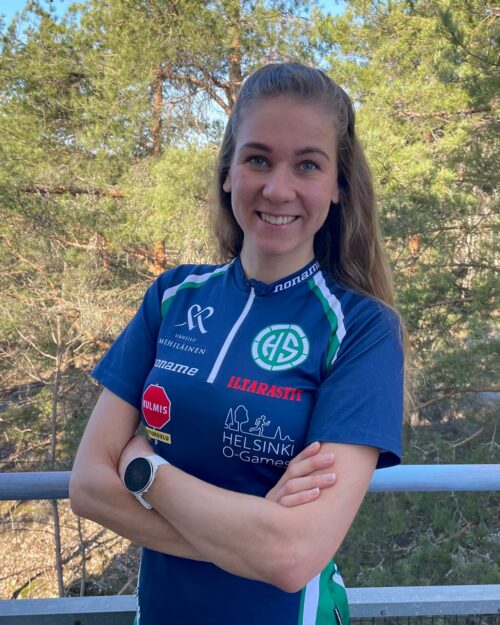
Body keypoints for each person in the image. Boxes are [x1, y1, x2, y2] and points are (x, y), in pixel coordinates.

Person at [70, 62, 404, 625]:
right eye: (258, 159)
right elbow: (88, 487)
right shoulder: (172, 297)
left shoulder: (363, 329)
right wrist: (250, 540)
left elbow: (293, 557)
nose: (277, 188)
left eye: (307, 164)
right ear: (228, 172)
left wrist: (143, 467)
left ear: (338, 186)